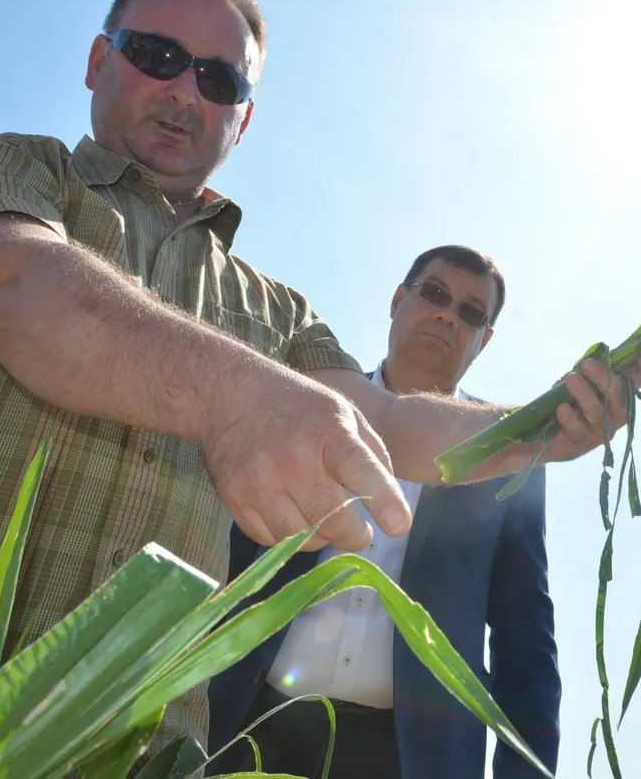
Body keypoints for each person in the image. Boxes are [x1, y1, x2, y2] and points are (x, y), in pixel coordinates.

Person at [0, 0, 641, 762]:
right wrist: (231, 395)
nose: (184, 92)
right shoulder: (3, 172)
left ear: (242, 122)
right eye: (157, 55)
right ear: (99, 62)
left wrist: (543, 428)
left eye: (218, 80)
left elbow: (383, 419)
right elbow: (17, 284)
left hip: (136, 748)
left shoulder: (279, 314)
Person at [208, 245, 559, 779]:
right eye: (435, 293)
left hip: (407, 757)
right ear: (398, 299)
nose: (447, 314)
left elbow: (525, 643)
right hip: (245, 724)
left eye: (470, 311)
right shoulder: (309, 404)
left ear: (484, 340)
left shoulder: (507, 462)